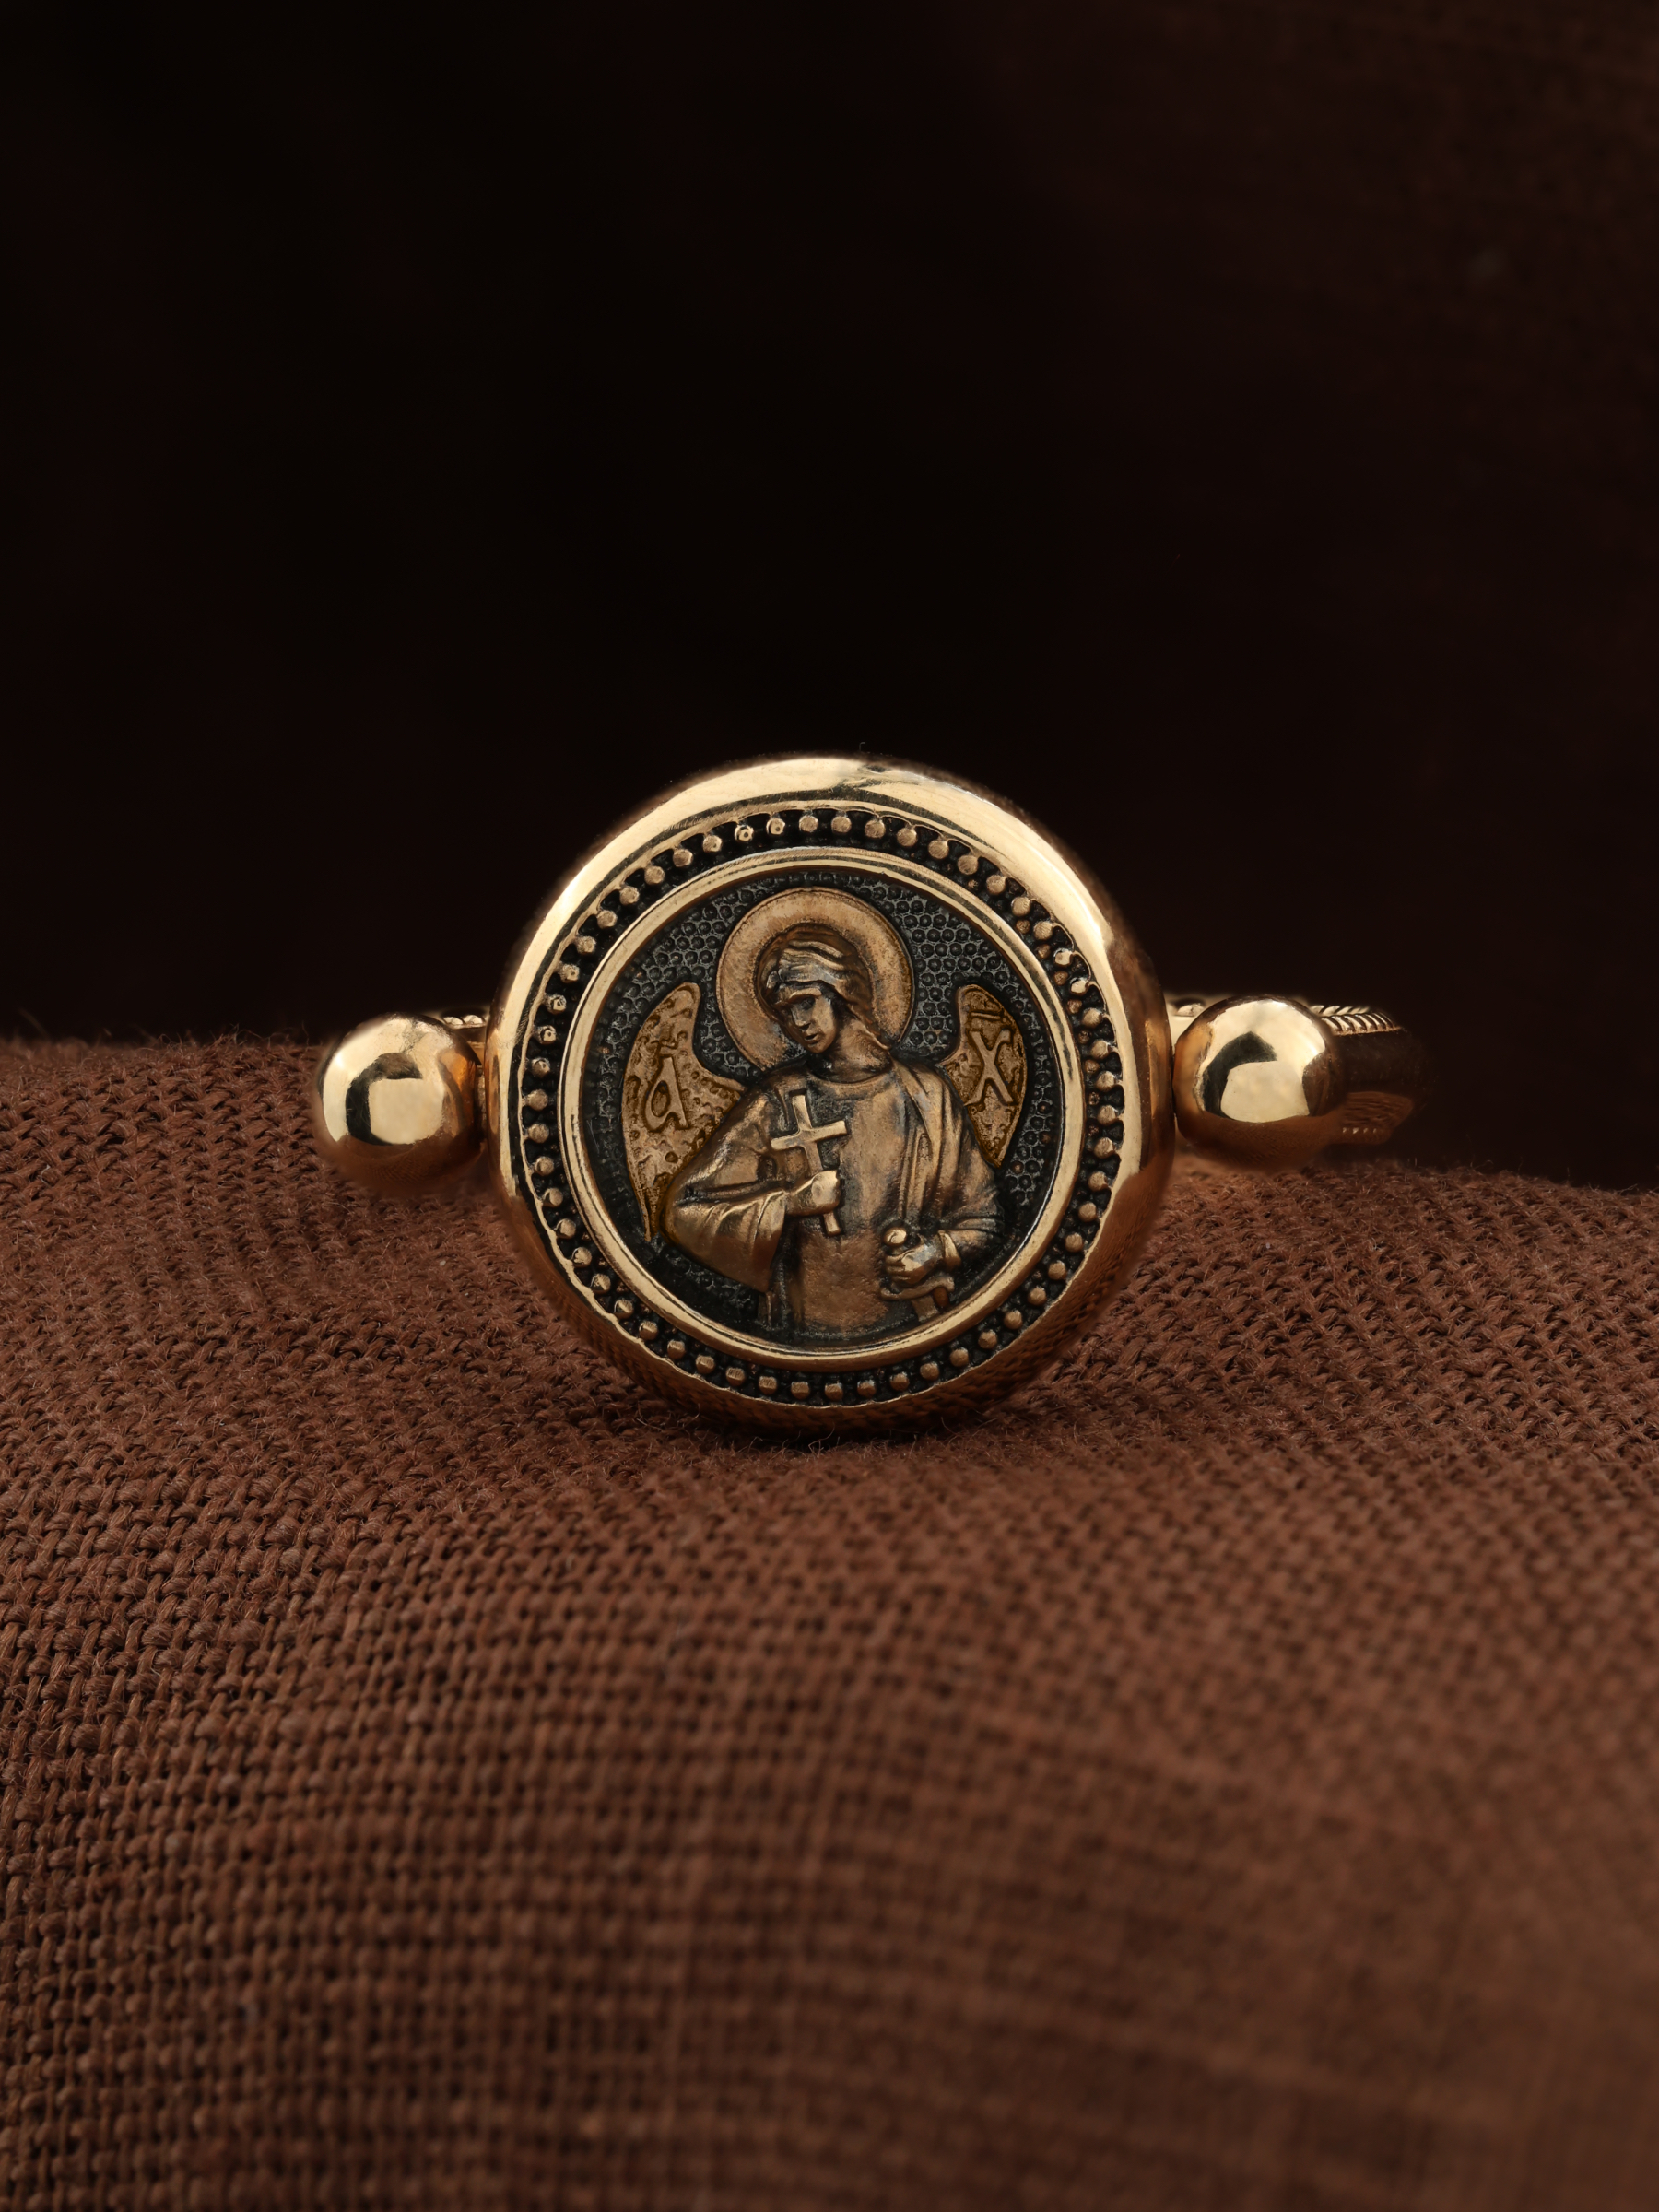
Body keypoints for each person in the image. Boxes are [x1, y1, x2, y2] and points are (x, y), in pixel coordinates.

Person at [663, 922, 999, 1340]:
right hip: (801, 1327)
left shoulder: (927, 1097)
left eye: (806, 1002)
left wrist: (936, 1251)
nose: (797, 1023)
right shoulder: (776, 1101)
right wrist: (788, 1203)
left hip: (914, 1323)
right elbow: (685, 1211)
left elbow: (983, 1219)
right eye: (783, 1012)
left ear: (844, 990)